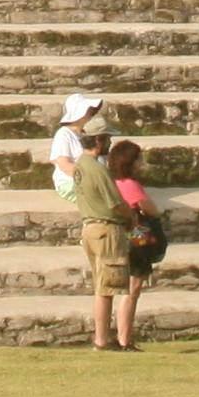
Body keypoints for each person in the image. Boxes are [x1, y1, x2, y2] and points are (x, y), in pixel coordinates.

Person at [70, 131, 136, 349]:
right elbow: (115, 203)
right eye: (107, 138)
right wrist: (132, 216)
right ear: (98, 141)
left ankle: (102, 338)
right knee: (108, 286)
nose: (110, 143)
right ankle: (102, 339)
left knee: (102, 285)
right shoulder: (97, 169)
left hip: (90, 228)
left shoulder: (80, 164)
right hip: (106, 229)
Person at [106, 138, 167, 349]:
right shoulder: (130, 184)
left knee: (130, 288)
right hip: (136, 236)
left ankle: (123, 337)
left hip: (123, 236)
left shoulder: (113, 182)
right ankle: (124, 338)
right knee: (133, 288)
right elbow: (149, 208)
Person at [48, 91, 103, 197]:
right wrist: (90, 178)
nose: (91, 113)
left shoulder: (87, 134)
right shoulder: (64, 134)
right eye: (88, 110)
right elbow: (64, 164)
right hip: (71, 184)